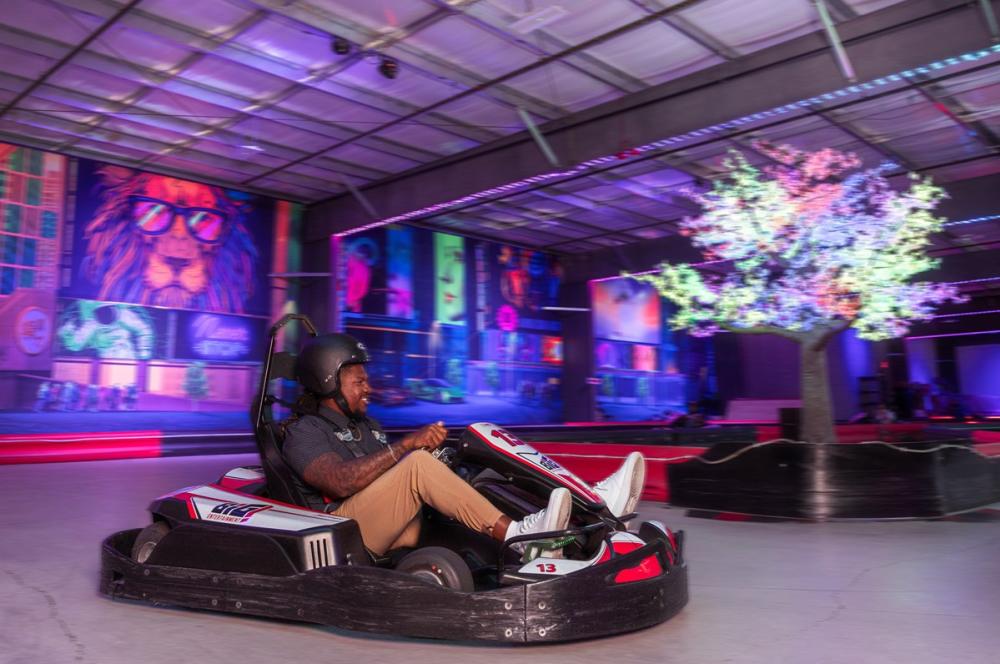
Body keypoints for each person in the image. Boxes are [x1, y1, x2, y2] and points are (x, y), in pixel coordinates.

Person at [282, 334, 645, 557]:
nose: (368, 388)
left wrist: (439, 455)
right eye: (359, 381)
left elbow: (387, 476)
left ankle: (591, 511)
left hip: (387, 521)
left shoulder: (367, 426)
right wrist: (409, 446)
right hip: (343, 534)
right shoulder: (305, 432)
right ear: (328, 381)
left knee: (472, 468)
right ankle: (519, 536)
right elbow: (341, 483)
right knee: (418, 466)